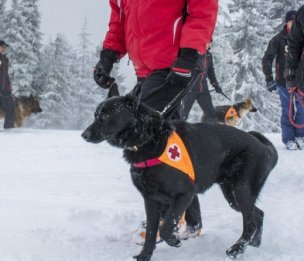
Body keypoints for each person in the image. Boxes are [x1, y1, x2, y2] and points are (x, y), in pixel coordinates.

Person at [93, 0, 218, 240]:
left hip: (175, 64)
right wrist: (108, 55)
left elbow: (202, 10)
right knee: (172, 141)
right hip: (146, 70)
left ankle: (165, 216)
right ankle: (191, 221)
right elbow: (119, 20)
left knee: (147, 138)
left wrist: (189, 54)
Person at [264, 10, 304, 150]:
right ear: (286, 22)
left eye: (295, 22)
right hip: (283, 81)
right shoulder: (278, 39)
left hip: (300, 80)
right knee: (287, 110)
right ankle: (288, 139)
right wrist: (269, 78)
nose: (293, 24)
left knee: (302, 109)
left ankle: (300, 136)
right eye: (291, 22)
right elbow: (267, 59)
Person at [179, 41, 222, 121]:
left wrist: (215, 84)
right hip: (190, 89)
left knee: (211, 114)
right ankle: (179, 131)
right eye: (209, 42)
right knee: (183, 114)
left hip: (203, 89)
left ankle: (209, 132)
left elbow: (210, 71)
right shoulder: (193, 54)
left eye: (211, 42)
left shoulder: (209, 55)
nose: (210, 44)